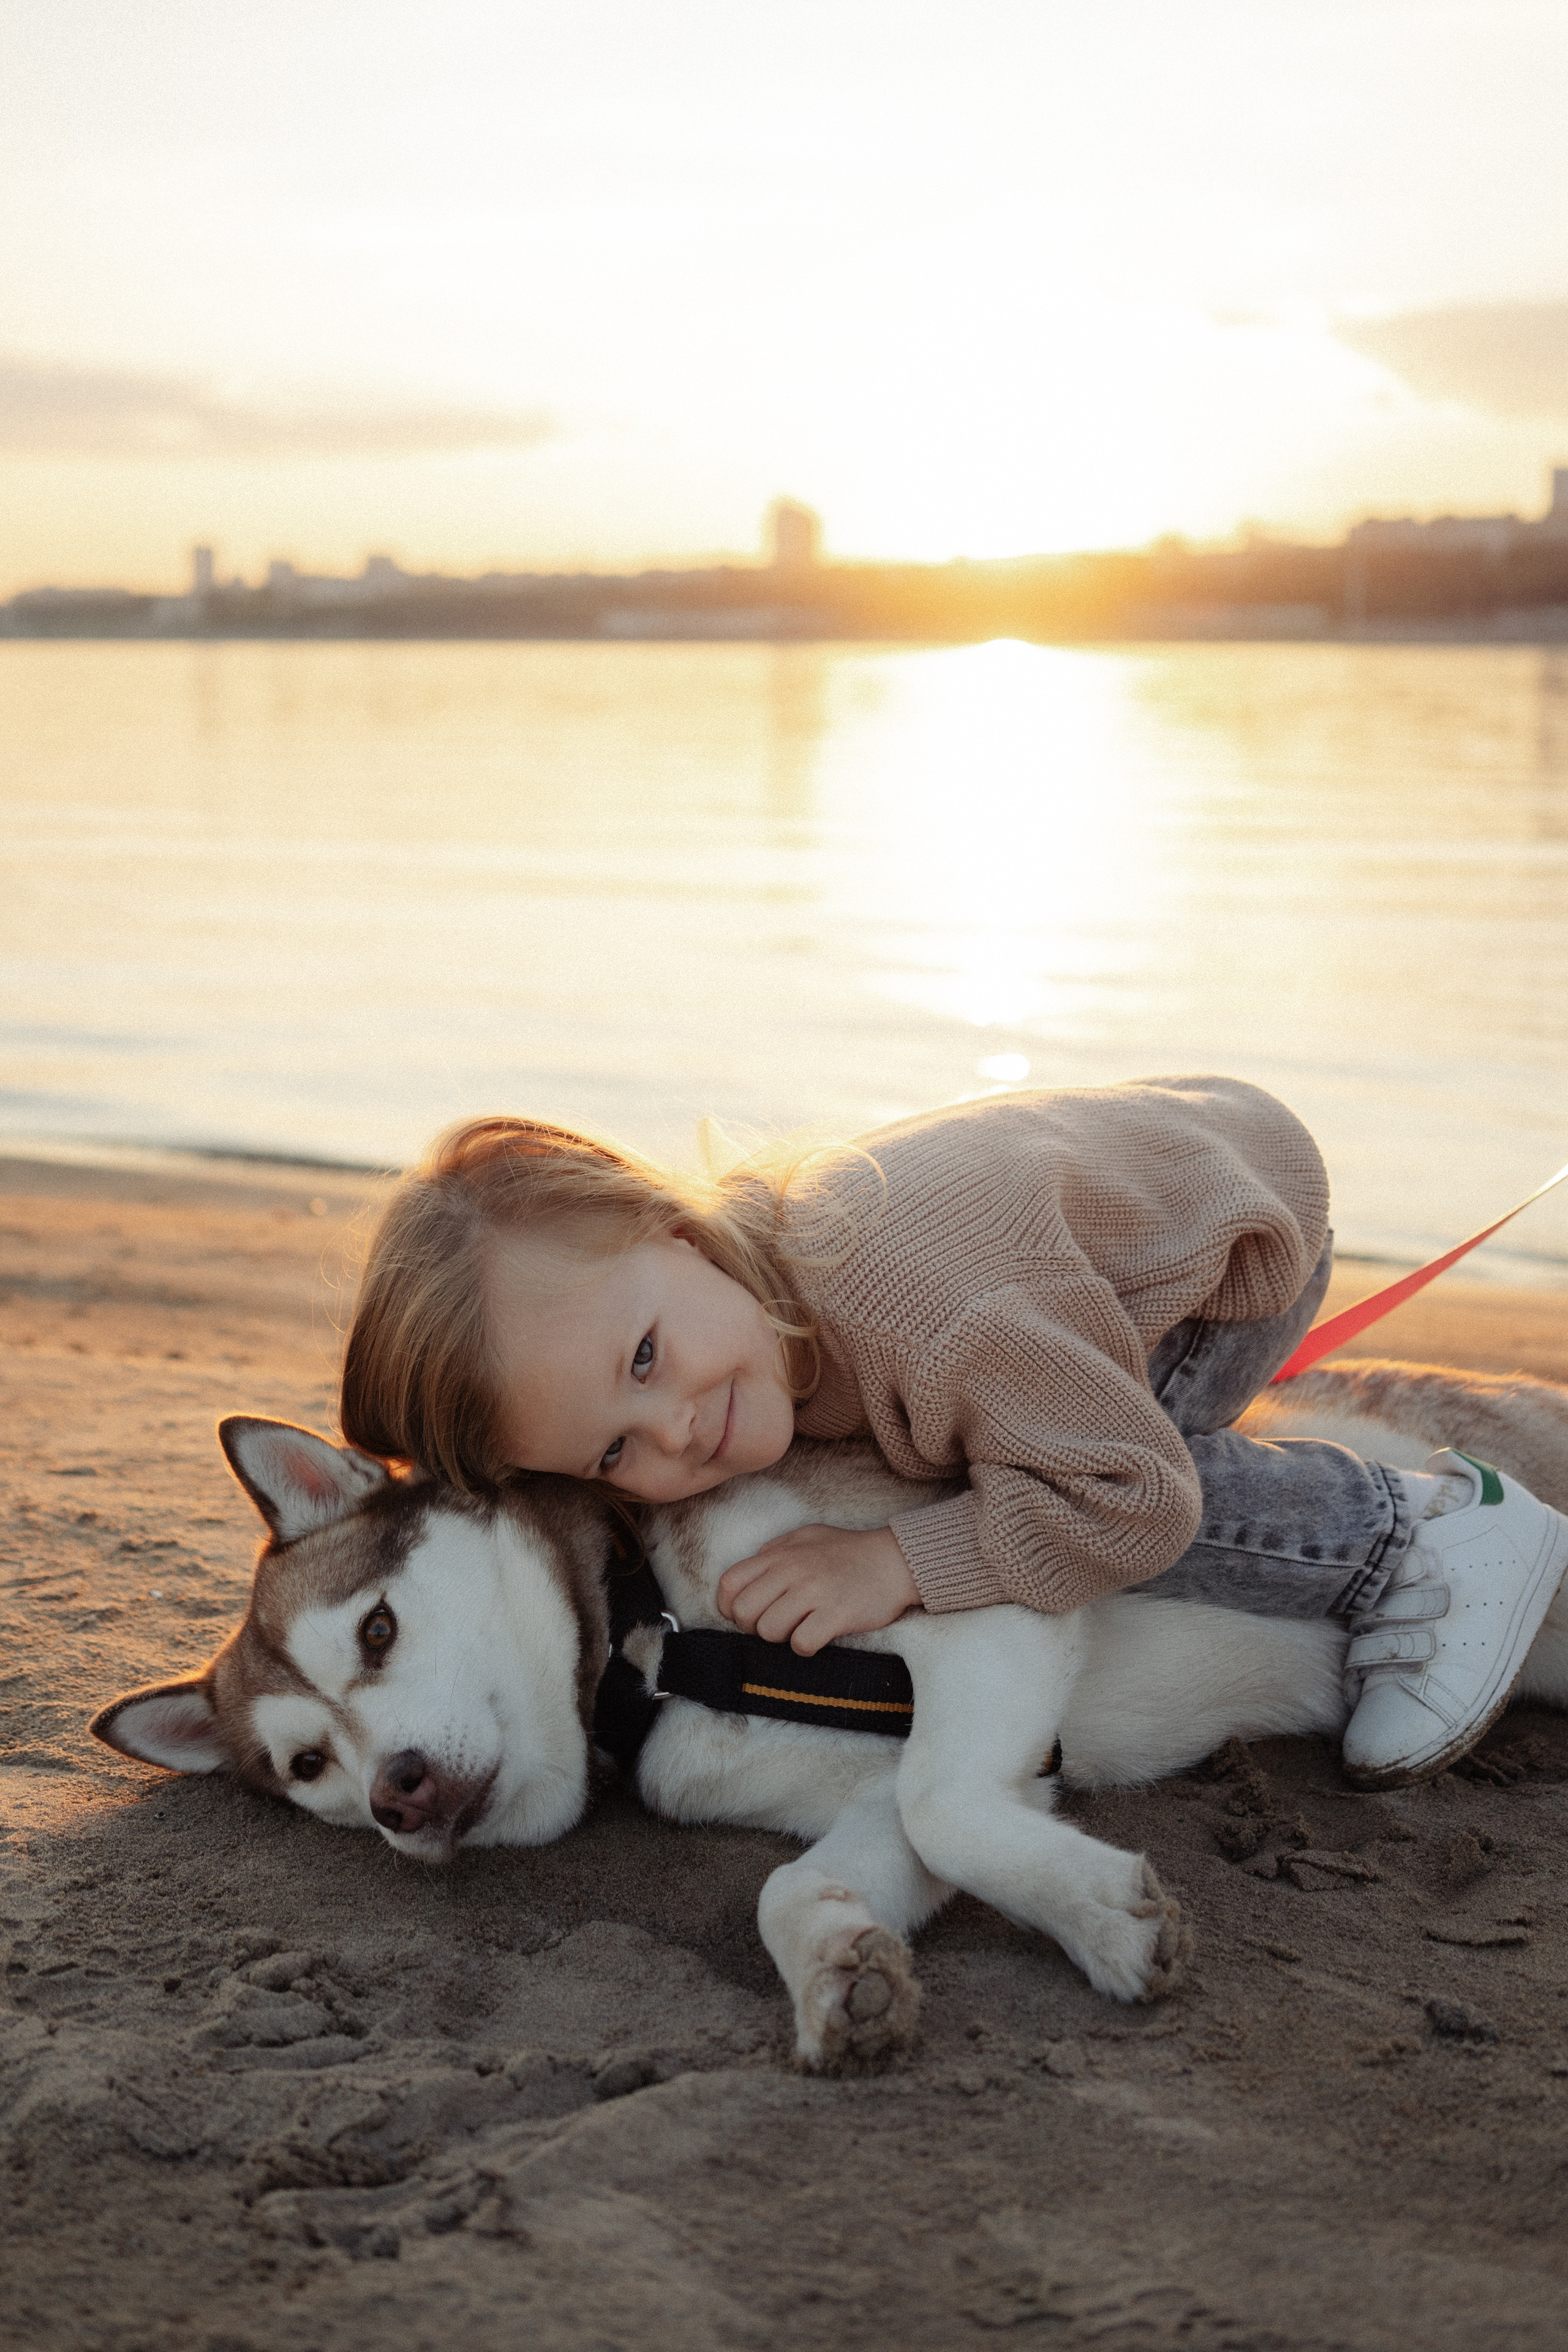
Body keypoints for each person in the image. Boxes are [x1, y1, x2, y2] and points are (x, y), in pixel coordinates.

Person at [338, 1076, 1568, 1790]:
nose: (677, 1433)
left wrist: (899, 1562)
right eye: (614, 1451)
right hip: (1076, 1241)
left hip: (1224, 1246)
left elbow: (1130, 1499)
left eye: (647, 1359)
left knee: (1090, 1497)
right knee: (1000, 1444)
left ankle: (1421, 1536)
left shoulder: (923, 1311)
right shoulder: (744, 1308)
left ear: (676, 1232)